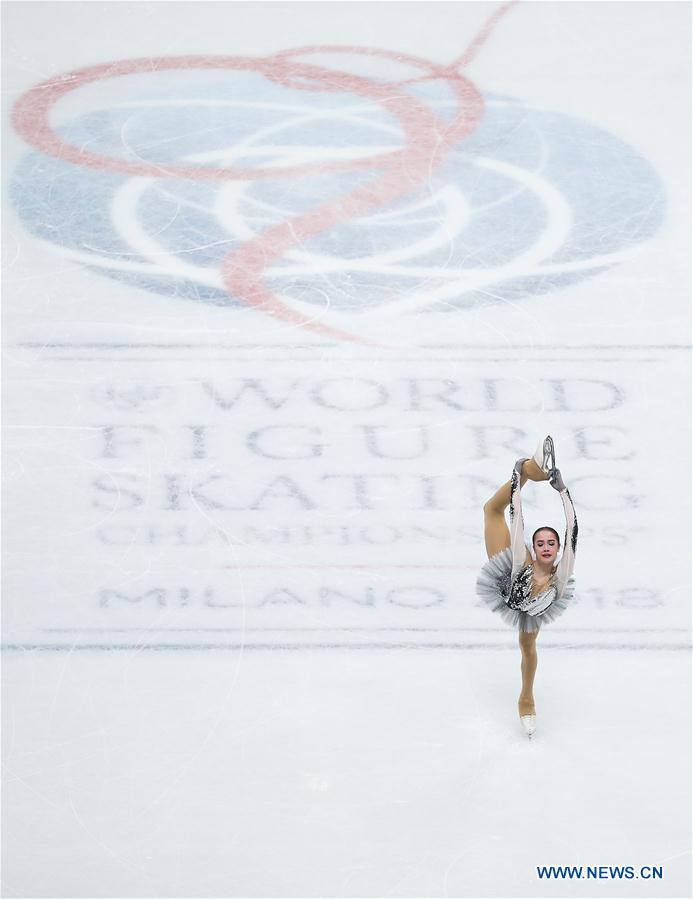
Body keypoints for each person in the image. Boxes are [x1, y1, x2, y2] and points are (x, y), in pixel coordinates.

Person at [476, 436, 578, 738]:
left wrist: (563, 492)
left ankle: (526, 700)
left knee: (527, 647)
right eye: (540, 543)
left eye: (551, 543)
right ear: (533, 548)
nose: (546, 547)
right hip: (508, 580)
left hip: (532, 610)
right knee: (491, 510)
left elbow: (572, 529)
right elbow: (516, 517)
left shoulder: (561, 575)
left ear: (558, 548)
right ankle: (532, 469)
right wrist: (516, 478)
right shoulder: (522, 562)